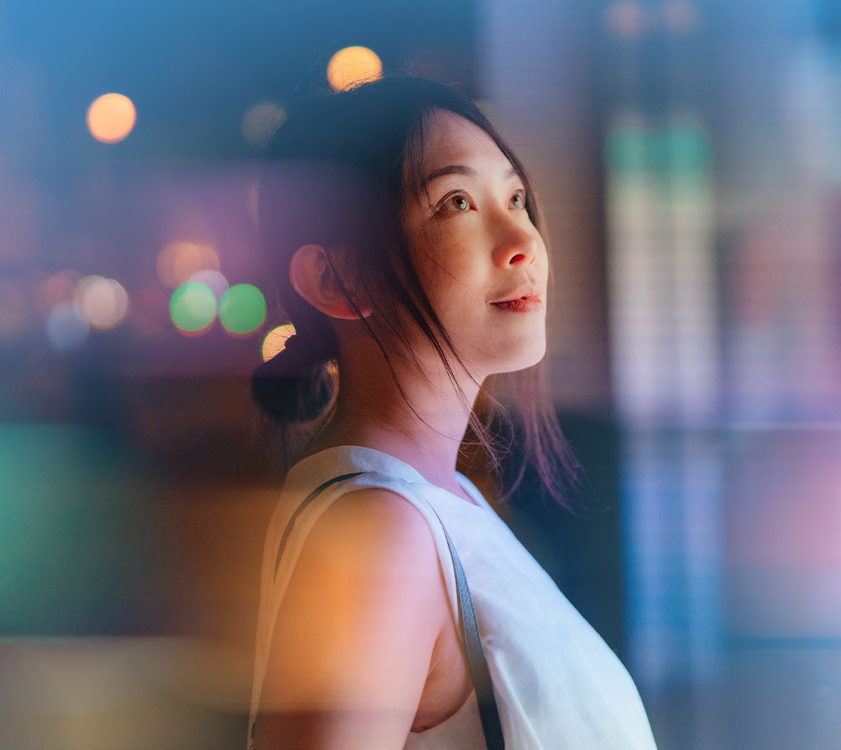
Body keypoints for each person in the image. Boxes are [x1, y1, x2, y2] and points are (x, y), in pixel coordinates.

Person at [245, 76, 658, 750]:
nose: (522, 239)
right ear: (335, 281)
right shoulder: (383, 529)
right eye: (457, 202)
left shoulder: (440, 501)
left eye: (516, 196)